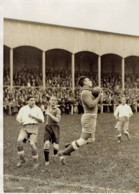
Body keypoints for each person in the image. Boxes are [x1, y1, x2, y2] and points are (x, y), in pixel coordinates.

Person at [58, 76, 102, 164]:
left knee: (91, 140)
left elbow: (95, 103)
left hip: (91, 117)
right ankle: (64, 152)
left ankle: (70, 145)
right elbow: (90, 105)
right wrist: (98, 97)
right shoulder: (85, 92)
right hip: (89, 118)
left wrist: (98, 96)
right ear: (85, 82)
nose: (90, 81)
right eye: (88, 80)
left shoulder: (89, 91)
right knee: (83, 140)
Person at [16, 96, 44, 169]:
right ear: (27, 101)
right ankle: (22, 160)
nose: (33, 101)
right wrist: (20, 121)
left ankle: (36, 162)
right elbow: (18, 118)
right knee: (19, 140)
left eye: (34, 100)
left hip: (34, 127)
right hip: (24, 127)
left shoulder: (38, 109)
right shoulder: (23, 108)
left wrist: (33, 117)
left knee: (32, 144)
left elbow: (41, 120)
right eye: (31, 100)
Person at [43, 96, 61, 166]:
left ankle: (55, 155)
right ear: (49, 101)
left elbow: (57, 120)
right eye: (52, 100)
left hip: (55, 127)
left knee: (56, 146)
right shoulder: (48, 107)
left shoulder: (58, 110)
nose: (53, 101)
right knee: (46, 144)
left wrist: (49, 114)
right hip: (48, 127)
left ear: (56, 102)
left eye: (54, 100)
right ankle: (47, 162)